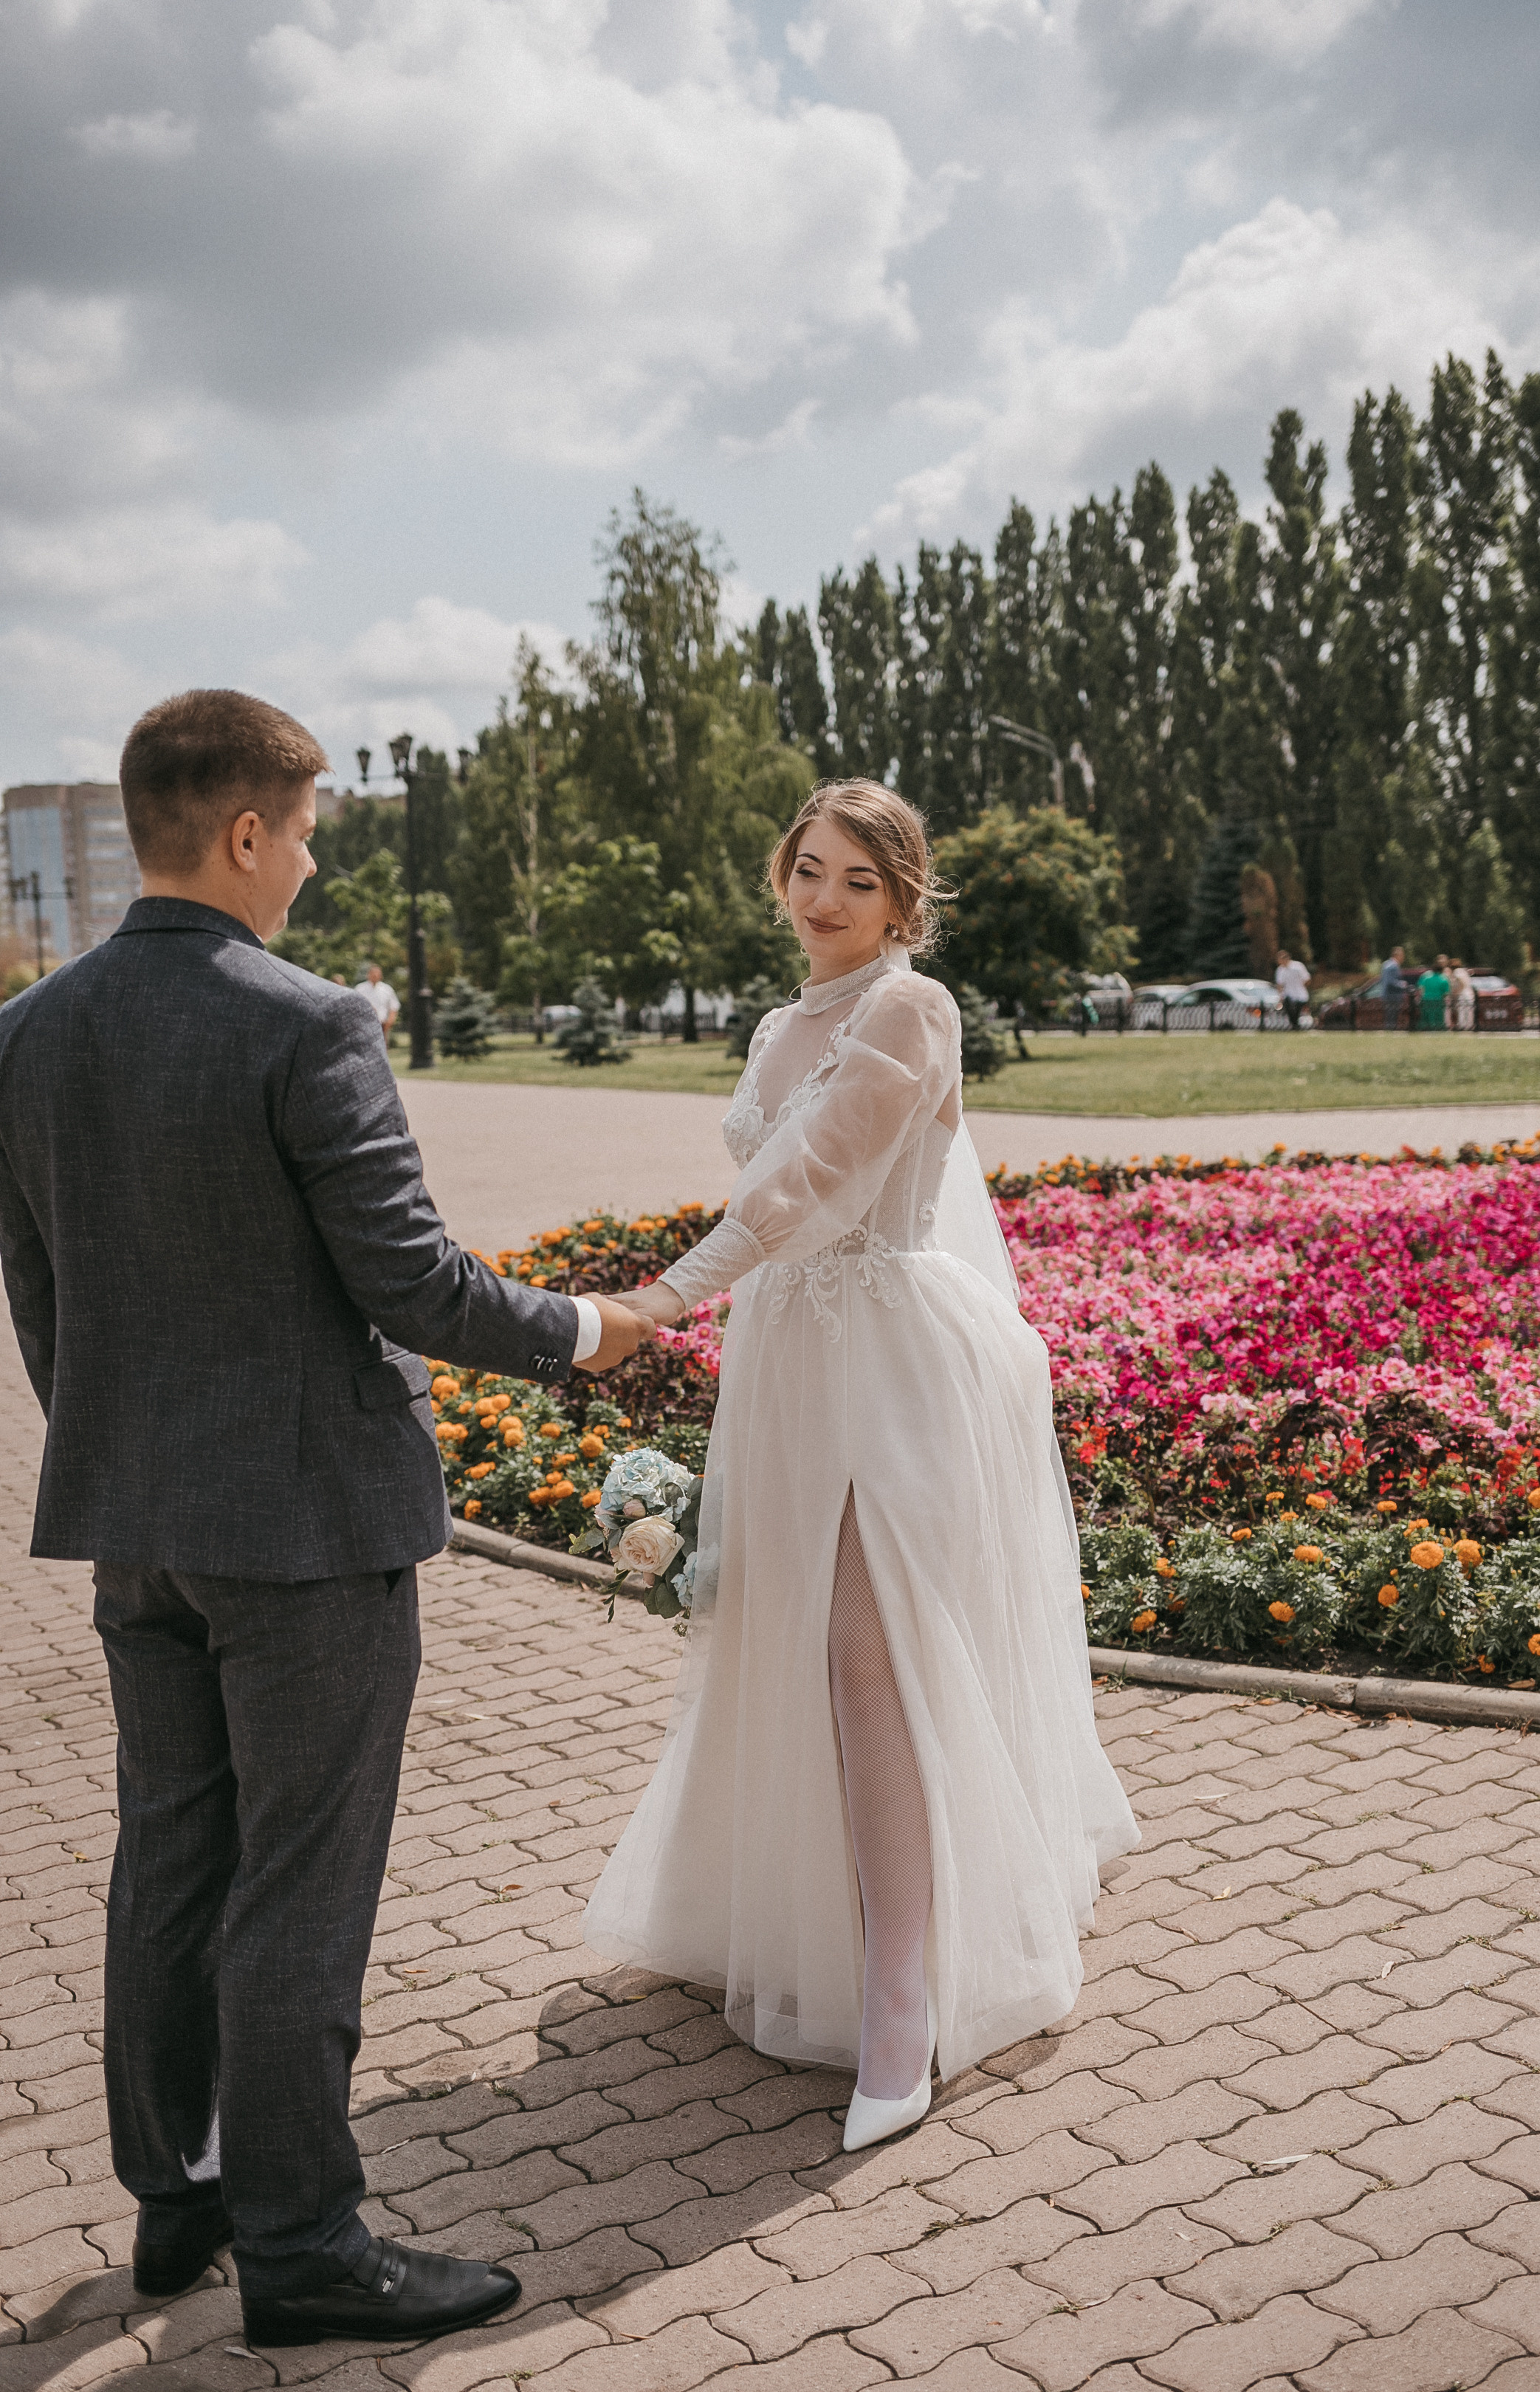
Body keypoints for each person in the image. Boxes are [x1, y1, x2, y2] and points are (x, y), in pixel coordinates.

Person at [0, 690, 652, 2350]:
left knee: (169, 1851)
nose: (304, 862)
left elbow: (40, 1290)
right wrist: (582, 1328)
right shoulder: (306, 1022)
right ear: (239, 833)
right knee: (300, 1883)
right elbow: (411, 1281)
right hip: (304, 1533)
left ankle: (180, 2202)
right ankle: (303, 2244)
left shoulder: (32, 1032)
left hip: (136, 1518)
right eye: (299, 833)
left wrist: (119, 1443)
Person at [587, 780, 1138, 2153]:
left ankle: (905, 1993)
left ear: (903, 902)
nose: (824, 900)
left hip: (887, 1357)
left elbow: (806, 1191)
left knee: (865, 1656)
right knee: (799, 1651)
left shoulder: (912, 1009)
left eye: (857, 882)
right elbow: (766, 1193)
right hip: (786, 1362)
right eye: (808, 870)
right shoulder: (781, 1022)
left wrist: (652, 1303)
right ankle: (817, 1930)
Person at [361, 961, 399, 1042]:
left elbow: (394, 1007)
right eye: (373, 973)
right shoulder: (360, 989)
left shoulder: (387, 989)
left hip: (382, 1025)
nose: (375, 975)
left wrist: (389, 1022)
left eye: (377, 973)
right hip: (365, 1026)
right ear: (368, 974)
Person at [1274, 947, 1311, 1031]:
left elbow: (1307, 979)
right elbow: (1279, 984)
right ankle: (1295, 1026)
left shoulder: (1298, 966)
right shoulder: (1280, 970)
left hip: (1300, 994)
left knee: (1297, 1010)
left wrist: (1302, 986)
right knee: (1288, 1009)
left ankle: (1296, 1025)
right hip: (1289, 994)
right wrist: (1280, 996)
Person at [1378, 945, 1406, 1031]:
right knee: (1393, 1016)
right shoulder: (1394, 966)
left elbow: (1383, 980)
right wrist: (1402, 985)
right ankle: (1391, 1030)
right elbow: (1391, 982)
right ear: (1397, 955)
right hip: (1393, 995)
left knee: (1389, 1016)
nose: (1403, 958)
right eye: (1402, 955)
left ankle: (1389, 1029)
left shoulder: (1386, 964)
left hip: (1386, 994)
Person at [1420, 952, 1451, 1031]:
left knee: (1426, 1020)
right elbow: (1446, 993)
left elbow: (1420, 988)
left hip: (1426, 1000)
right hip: (1438, 1001)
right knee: (1438, 1021)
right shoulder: (1444, 978)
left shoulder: (1426, 976)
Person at [1450, 958, 1476, 1032]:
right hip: (1469, 994)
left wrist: (1457, 992)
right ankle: (1469, 1027)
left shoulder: (1457, 971)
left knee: (1462, 1012)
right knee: (1469, 1013)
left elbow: (1462, 983)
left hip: (1463, 995)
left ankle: (1463, 1028)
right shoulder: (1464, 971)